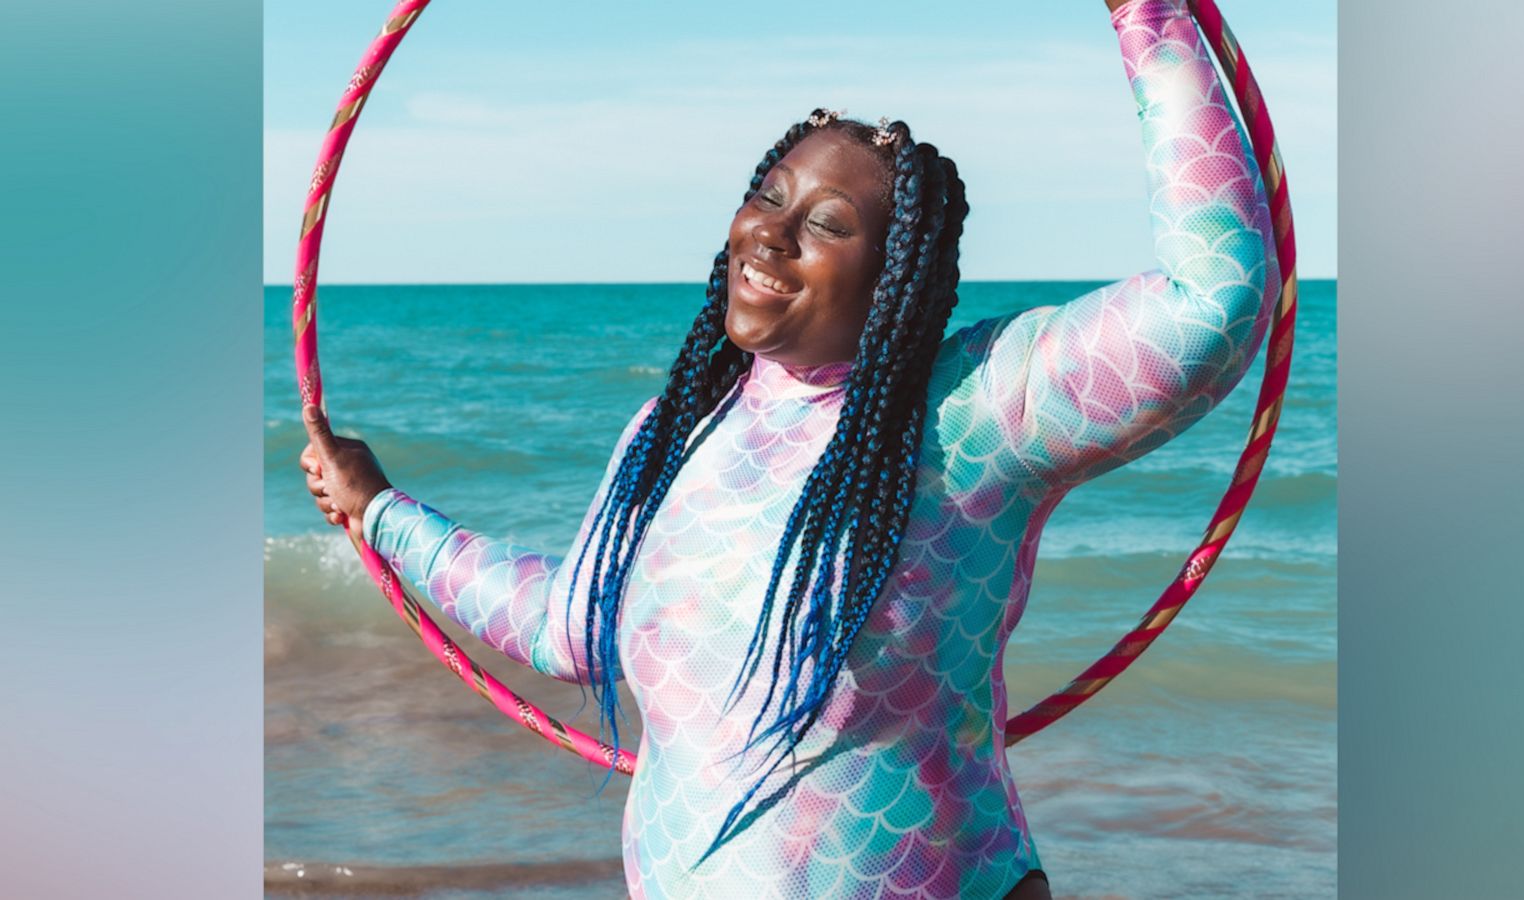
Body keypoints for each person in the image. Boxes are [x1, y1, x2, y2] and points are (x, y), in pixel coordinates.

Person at [300, 0, 1279, 896]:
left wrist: (1144, 16)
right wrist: (381, 511)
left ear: (896, 272)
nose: (769, 237)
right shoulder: (673, 431)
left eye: (827, 224)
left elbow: (1212, 307)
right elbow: (572, 627)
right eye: (769, 196)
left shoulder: (976, 412)